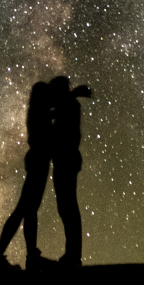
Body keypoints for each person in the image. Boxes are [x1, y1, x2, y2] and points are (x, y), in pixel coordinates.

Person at [0, 81, 54, 270]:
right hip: (38, 161)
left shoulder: (38, 110)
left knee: (28, 210)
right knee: (24, 209)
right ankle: (4, 252)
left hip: (37, 161)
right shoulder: (39, 111)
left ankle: (27, 254)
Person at [49, 76, 92, 269]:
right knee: (65, 207)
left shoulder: (70, 105)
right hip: (63, 160)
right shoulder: (67, 104)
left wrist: (71, 94)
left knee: (68, 207)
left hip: (67, 159)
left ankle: (73, 256)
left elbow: (59, 110)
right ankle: (72, 254)